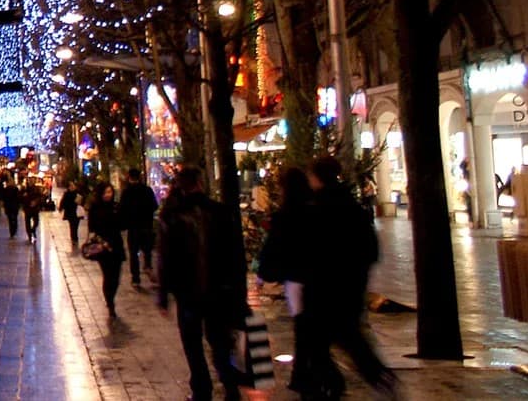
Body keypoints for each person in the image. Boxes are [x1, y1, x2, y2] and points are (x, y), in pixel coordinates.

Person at [260, 160, 394, 399]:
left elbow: (302, 249)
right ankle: (369, 376)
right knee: (343, 337)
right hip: (348, 286)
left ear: (316, 178)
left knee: (320, 341)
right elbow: (370, 250)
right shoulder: (351, 207)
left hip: (318, 288)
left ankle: (335, 382)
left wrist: (274, 271)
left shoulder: (316, 208)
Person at [154, 168, 248, 401]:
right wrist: (239, 289)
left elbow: (165, 258)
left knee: (193, 343)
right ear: (200, 183)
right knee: (219, 341)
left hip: (187, 291)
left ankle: (201, 389)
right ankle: (229, 385)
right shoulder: (221, 212)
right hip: (219, 289)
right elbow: (236, 254)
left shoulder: (172, 216)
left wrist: (163, 295)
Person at [87, 184, 127, 316]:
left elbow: (122, 225)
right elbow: (91, 227)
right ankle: (110, 302)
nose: (108, 195)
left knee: (116, 277)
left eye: (110, 192)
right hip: (102, 247)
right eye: (105, 192)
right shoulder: (95, 208)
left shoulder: (116, 206)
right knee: (108, 275)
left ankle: (111, 296)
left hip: (116, 245)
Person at [119, 168, 160, 285]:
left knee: (133, 253)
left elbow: (122, 210)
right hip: (146, 225)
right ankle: (148, 266)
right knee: (147, 250)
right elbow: (154, 206)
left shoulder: (126, 192)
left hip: (133, 227)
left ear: (129, 177)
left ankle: (135, 278)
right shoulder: (147, 190)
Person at [60, 181, 84, 248]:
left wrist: (80, 201)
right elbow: (63, 202)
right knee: (72, 226)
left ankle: (75, 238)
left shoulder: (78, 193)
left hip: (77, 213)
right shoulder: (67, 194)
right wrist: (61, 208)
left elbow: (81, 202)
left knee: (75, 226)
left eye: (73, 185)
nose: (72, 187)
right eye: (71, 186)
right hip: (70, 213)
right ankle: (74, 239)